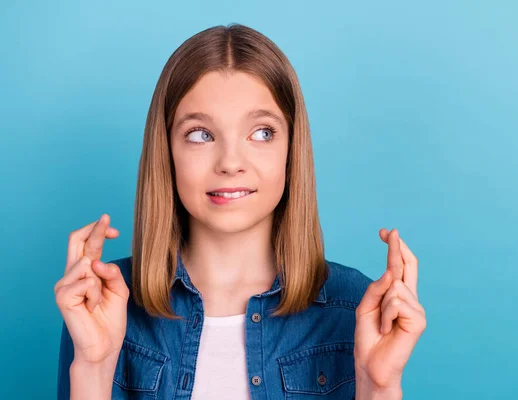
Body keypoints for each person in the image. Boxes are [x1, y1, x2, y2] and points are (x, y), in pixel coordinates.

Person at [54, 23, 426, 400]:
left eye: (262, 132)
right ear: (166, 152)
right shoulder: (104, 303)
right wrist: (93, 368)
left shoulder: (355, 307)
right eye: (200, 134)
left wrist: (379, 386)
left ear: (291, 149)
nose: (230, 162)